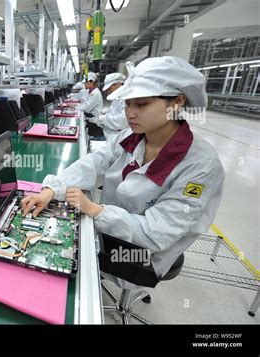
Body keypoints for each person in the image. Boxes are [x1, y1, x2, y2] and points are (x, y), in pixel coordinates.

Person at [21, 56, 225, 289]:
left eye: (142, 104)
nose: (130, 113)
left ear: (177, 102)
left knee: (59, 261)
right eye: (128, 103)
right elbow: (92, 163)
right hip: (109, 229)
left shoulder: (200, 167)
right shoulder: (131, 137)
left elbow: (158, 233)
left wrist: (95, 210)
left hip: (143, 255)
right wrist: (51, 190)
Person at [88, 72, 129, 138]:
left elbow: (122, 121)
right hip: (108, 130)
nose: (108, 91)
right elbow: (115, 111)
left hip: (115, 135)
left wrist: (103, 118)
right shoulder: (118, 96)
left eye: (110, 88)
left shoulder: (126, 98)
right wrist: (107, 111)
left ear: (118, 84)